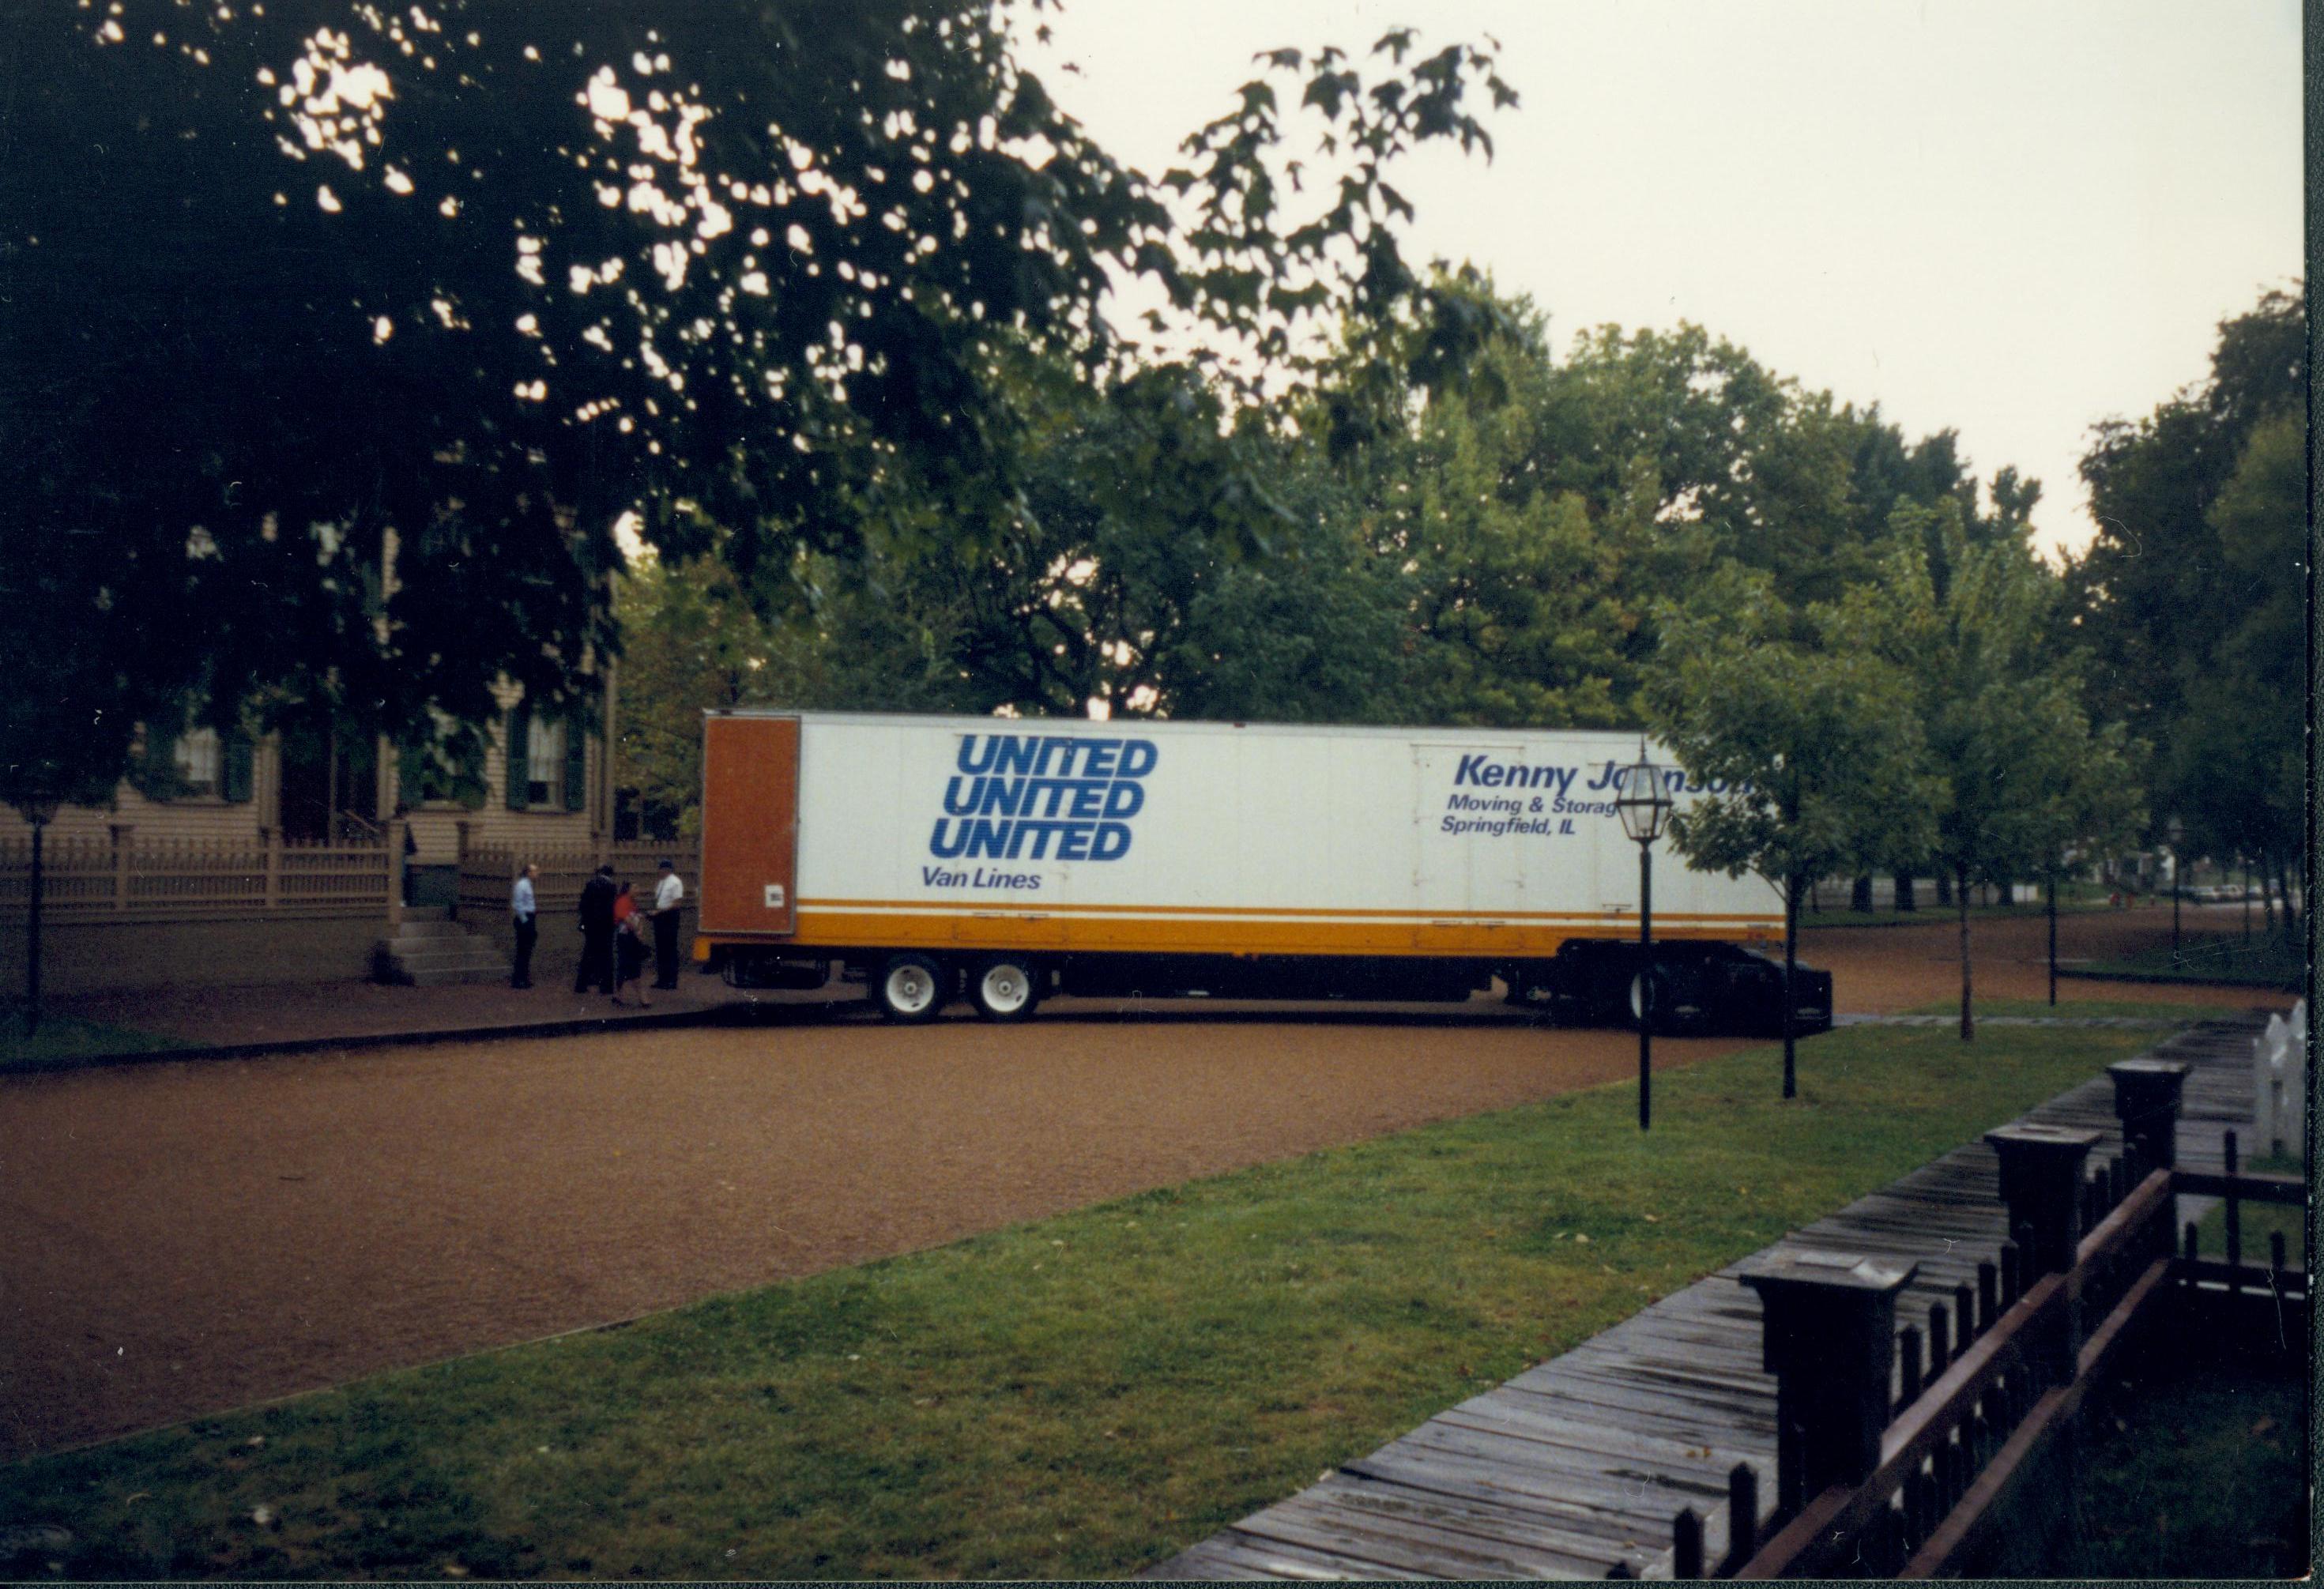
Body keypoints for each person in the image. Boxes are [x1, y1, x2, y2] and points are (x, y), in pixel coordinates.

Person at [574, 864, 617, 994]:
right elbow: (612, 908)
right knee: (607, 956)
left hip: (591, 926)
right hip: (605, 926)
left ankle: (581, 985)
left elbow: (583, 905)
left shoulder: (590, 884)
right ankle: (606, 987)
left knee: (588, 954)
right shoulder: (611, 886)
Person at [612, 881, 651, 1007]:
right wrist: (638, 932)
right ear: (628, 889)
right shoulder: (623, 901)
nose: (638, 890)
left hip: (630, 937)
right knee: (631, 967)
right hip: (626, 938)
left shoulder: (632, 903)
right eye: (635, 887)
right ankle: (642, 997)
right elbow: (628, 920)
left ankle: (619, 995)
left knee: (626, 967)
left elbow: (637, 919)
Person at [650, 857, 686, 991]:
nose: (659, 871)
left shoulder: (675, 882)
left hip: (669, 917)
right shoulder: (661, 882)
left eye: (661, 869)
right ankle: (662, 979)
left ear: (667, 870)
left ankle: (671, 980)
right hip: (660, 915)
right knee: (661, 949)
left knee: (670, 949)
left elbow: (677, 903)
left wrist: (661, 911)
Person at [510, 863, 539, 988]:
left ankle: (523, 977)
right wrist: (525, 920)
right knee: (523, 950)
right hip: (525, 919)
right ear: (528, 873)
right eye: (534, 871)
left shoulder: (527, 885)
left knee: (526, 950)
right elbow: (518, 904)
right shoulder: (522, 885)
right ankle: (519, 979)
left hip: (528, 918)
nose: (537, 874)